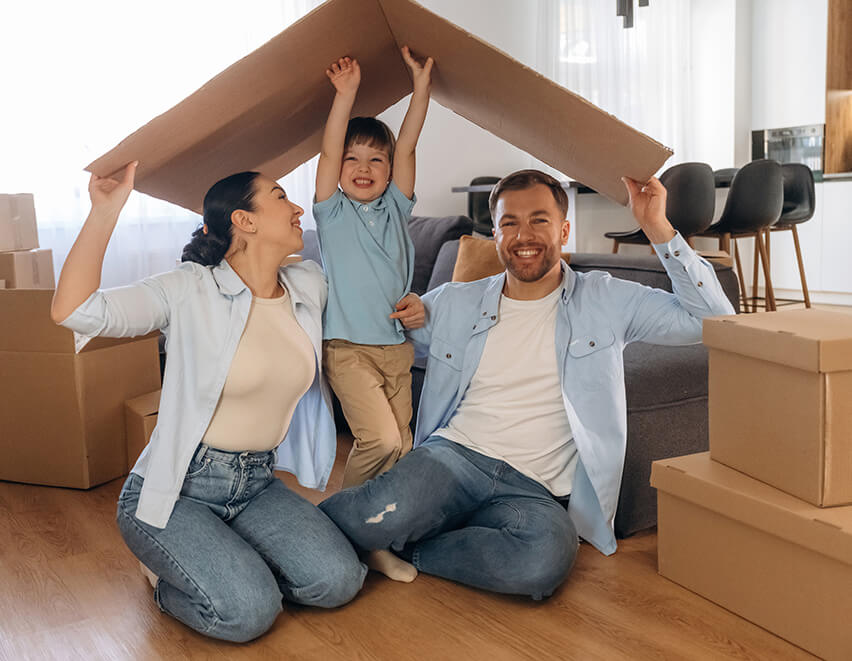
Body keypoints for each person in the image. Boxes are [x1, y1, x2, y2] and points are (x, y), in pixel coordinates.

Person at [319, 169, 736, 599]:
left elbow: (713, 319)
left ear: (564, 230)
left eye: (539, 220)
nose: (524, 236)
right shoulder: (453, 301)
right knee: (368, 517)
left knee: (542, 560)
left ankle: (412, 548)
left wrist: (657, 227)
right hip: (453, 459)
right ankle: (353, 531)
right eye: (510, 223)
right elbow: (375, 335)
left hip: (536, 488)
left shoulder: (607, 298)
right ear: (495, 233)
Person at [51, 163, 365, 642]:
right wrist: (105, 211)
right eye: (281, 196)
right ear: (244, 220)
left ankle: (224, 559)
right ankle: (167, 577)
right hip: (178, 489)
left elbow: (372, 294)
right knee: (248, 613)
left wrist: (419, 306)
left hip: (257, 483)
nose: (299, 208)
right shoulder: (189, 288)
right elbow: (75, 311)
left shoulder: (307, 284)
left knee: (337, 581)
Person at [313, 49, 432, 581]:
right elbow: (328, 147)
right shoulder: (331, 212)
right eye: (353, 160)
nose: (363, 169)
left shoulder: (397, 208)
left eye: (375, 161)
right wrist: (346, 95)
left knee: (401, 447)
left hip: (397, 349)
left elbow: (407, 143)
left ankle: (374, 539)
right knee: (380, 440)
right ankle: (339, 524)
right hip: (348, 349)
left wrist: (420, 88)